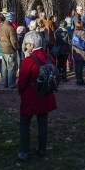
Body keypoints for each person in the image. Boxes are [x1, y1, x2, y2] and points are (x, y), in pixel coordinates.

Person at [17, 32, 57, 162]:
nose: (26, 47)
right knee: (43, 122)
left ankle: (24, 152)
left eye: (27, 44)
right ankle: (42, 149)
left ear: (32, 45)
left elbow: (22, 82)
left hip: (31, 95)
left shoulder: (28, 61)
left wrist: (21, 92)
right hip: (46, 93)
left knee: (24, 123)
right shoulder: (50, 57)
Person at [0, 12, 20, 89]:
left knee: (4, 67)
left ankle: (4, 83)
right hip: (10, 50)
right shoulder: (10, 28)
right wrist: (17, 47)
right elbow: (13, 41)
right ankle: (11, 84)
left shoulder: (1, 26)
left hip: (3, 49)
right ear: (12, 19)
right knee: (11, 68)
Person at [72, 21, 85, 85]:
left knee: (77, 65)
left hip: (76, 50)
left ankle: (78, 78)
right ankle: (80, 80)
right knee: (80, 66)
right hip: (82, 51)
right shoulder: (83, 33)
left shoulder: (74, 32)